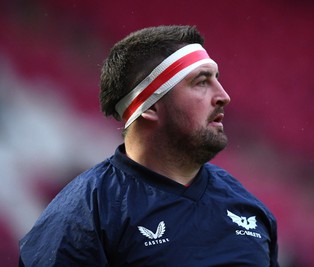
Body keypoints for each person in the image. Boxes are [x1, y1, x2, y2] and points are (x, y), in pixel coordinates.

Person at [19, 25, 280, 266]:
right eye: (201, 82)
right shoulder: (82, 216)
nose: (223, 96)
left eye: (217, 79)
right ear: (151, 106)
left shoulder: (247, 208)